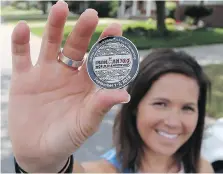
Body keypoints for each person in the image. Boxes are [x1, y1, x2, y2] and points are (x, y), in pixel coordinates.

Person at [8, 0, 214, 173]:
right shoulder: (101, 171)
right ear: (134, 107)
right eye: (160, 103)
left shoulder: (202, 168)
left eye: (188, 107)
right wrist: (42, 165)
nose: (173, 121)